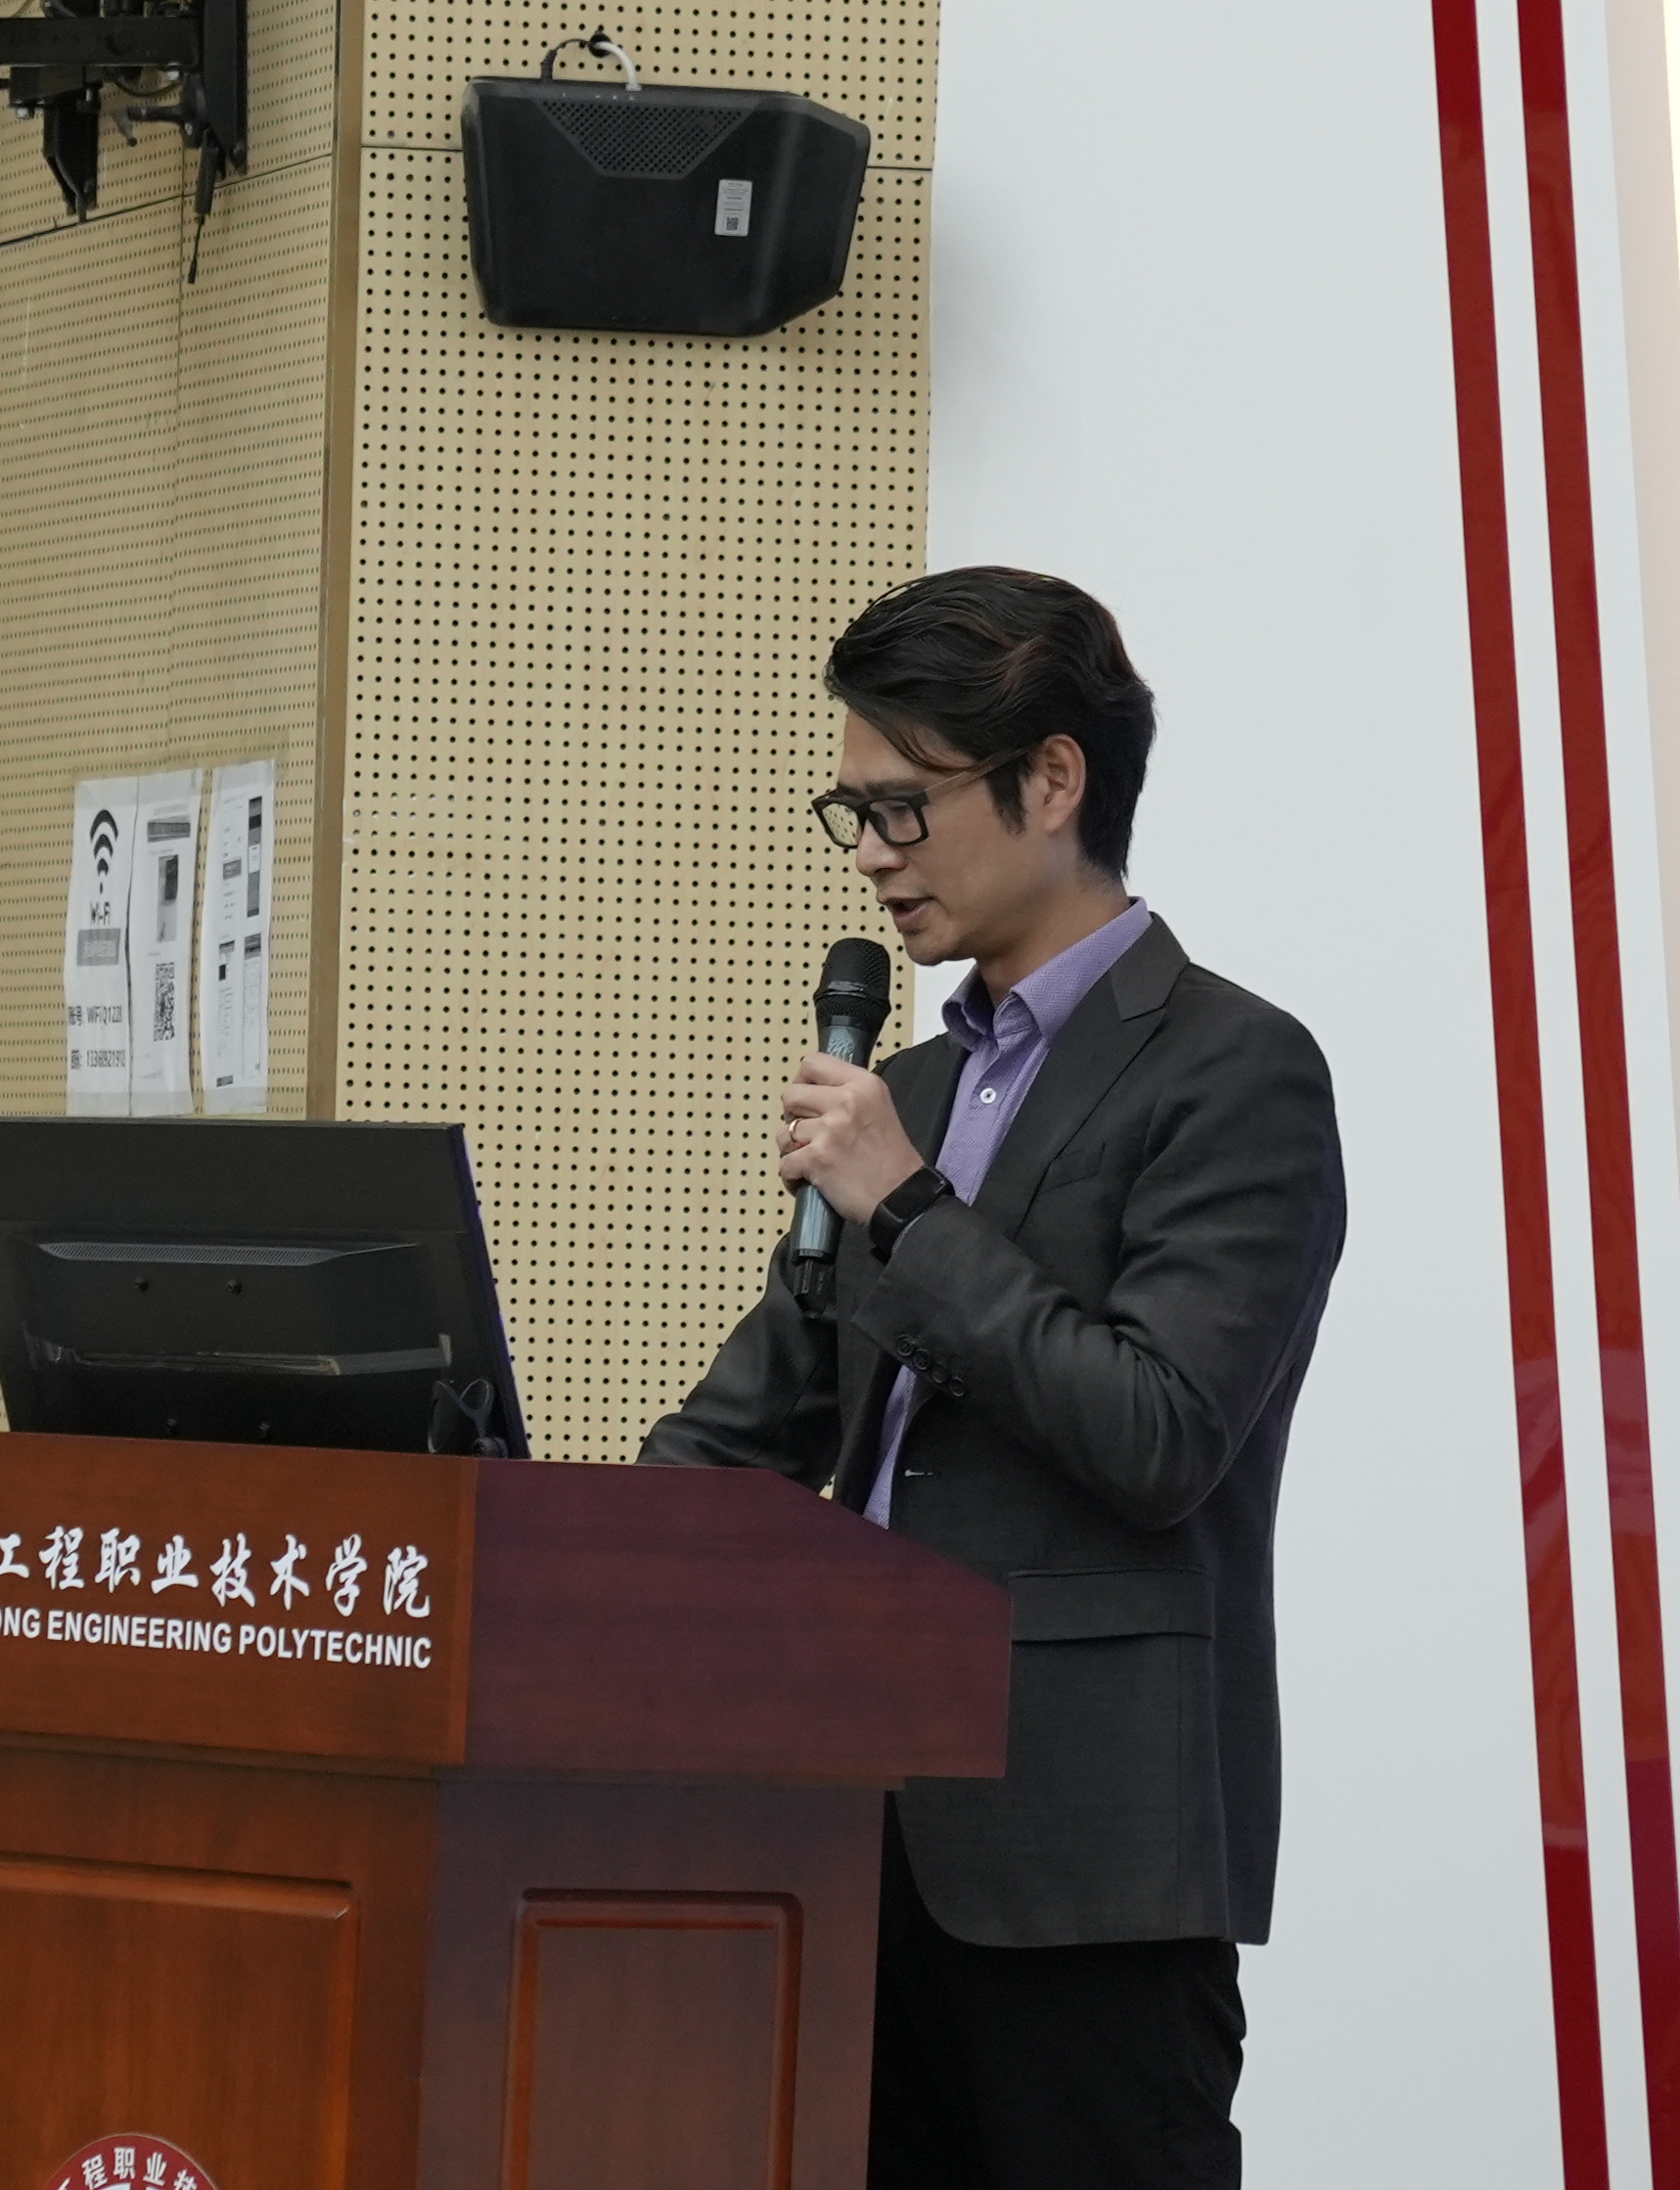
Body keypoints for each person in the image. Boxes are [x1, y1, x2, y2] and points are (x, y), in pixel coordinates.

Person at [641, 566, 1347, 2190]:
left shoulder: (1234, 1070)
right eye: (854, 815)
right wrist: (508, 1540)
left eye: (905, 808)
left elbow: (1159, 1433)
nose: (874, 856)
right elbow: (748, 1434)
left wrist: (909, 1210)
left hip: (1085, 1868)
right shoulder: (910, 1087)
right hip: (842, 1840)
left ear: (1052, 780)